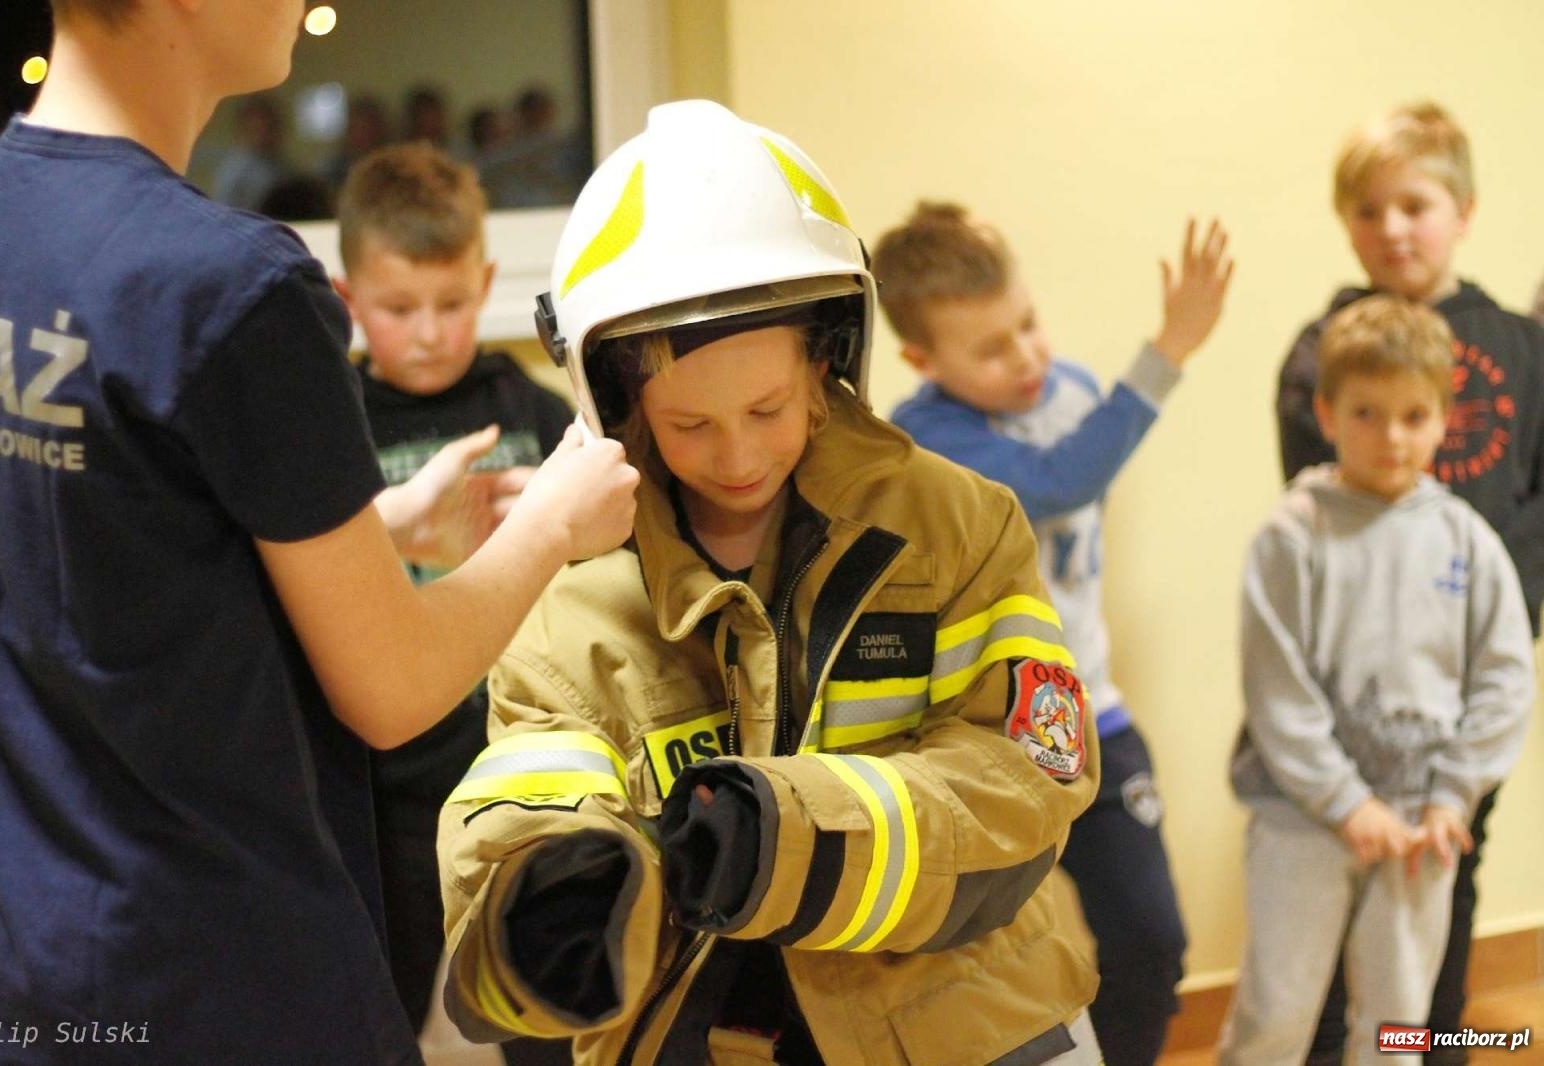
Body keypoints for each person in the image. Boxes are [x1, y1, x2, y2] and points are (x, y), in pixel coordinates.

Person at [0, 2, 636, 1063]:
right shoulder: (231, 286)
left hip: (2, 950)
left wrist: (374, 533)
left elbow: (82, 548)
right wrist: (549, 518)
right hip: (209, 975)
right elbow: (395, 687)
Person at [438, 99, 1103, 1066]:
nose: (738, 455)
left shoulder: (959, 524)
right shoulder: (572, 593)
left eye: (768, 407)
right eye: (691, 426)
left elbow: (1029, 778)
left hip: (976, 1024)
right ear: (617, 402)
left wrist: (789, 836)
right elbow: (523, 799)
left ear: (827, 356)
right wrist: (541, 891)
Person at [878, 203, 1232, 1066]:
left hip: (1092, 722)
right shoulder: (926, 436)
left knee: (1151, 942)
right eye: (991, 349)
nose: (1028, 356)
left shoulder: (1070, 388)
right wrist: (1168, 351)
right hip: (985, 746)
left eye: (1027, 324)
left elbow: (1085, 462)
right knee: (955, 968)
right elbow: (1062, 480)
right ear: (923, 360)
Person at [1273, 101, 1544, 1065]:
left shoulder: (1520, 343)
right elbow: (1315, 521)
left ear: (1462, 210)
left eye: (1415, 205)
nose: (1393, 229)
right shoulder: (1323, 347)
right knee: (1334, 895)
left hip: (1465, 692)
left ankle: (1438, 1046)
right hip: (1353, 695)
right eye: (1370, 210)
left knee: (1446, 880)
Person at [1225, 295, 1535, 1066]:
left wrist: (1451, 793)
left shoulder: (1466, 537)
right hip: (1303, 821)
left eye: (1412, 415)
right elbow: (1277, 689)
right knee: (1277, 1015)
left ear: (1443, 420)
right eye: (1366, 413)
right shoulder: (1291, 536)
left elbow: (1505, 677)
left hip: (1420, 829)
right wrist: (1345, 803)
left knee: (1399, 1023)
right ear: (1327, 414)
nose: (1391, 437)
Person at [333, 140, 574, 1065]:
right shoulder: (333, 427)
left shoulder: (538, 413)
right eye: (400, 309)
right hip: (391, 773)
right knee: (379, 1002)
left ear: (486, 281)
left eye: (452, 304)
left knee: (539, 991)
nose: (429, 331)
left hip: (524, 757)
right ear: (351, 300)